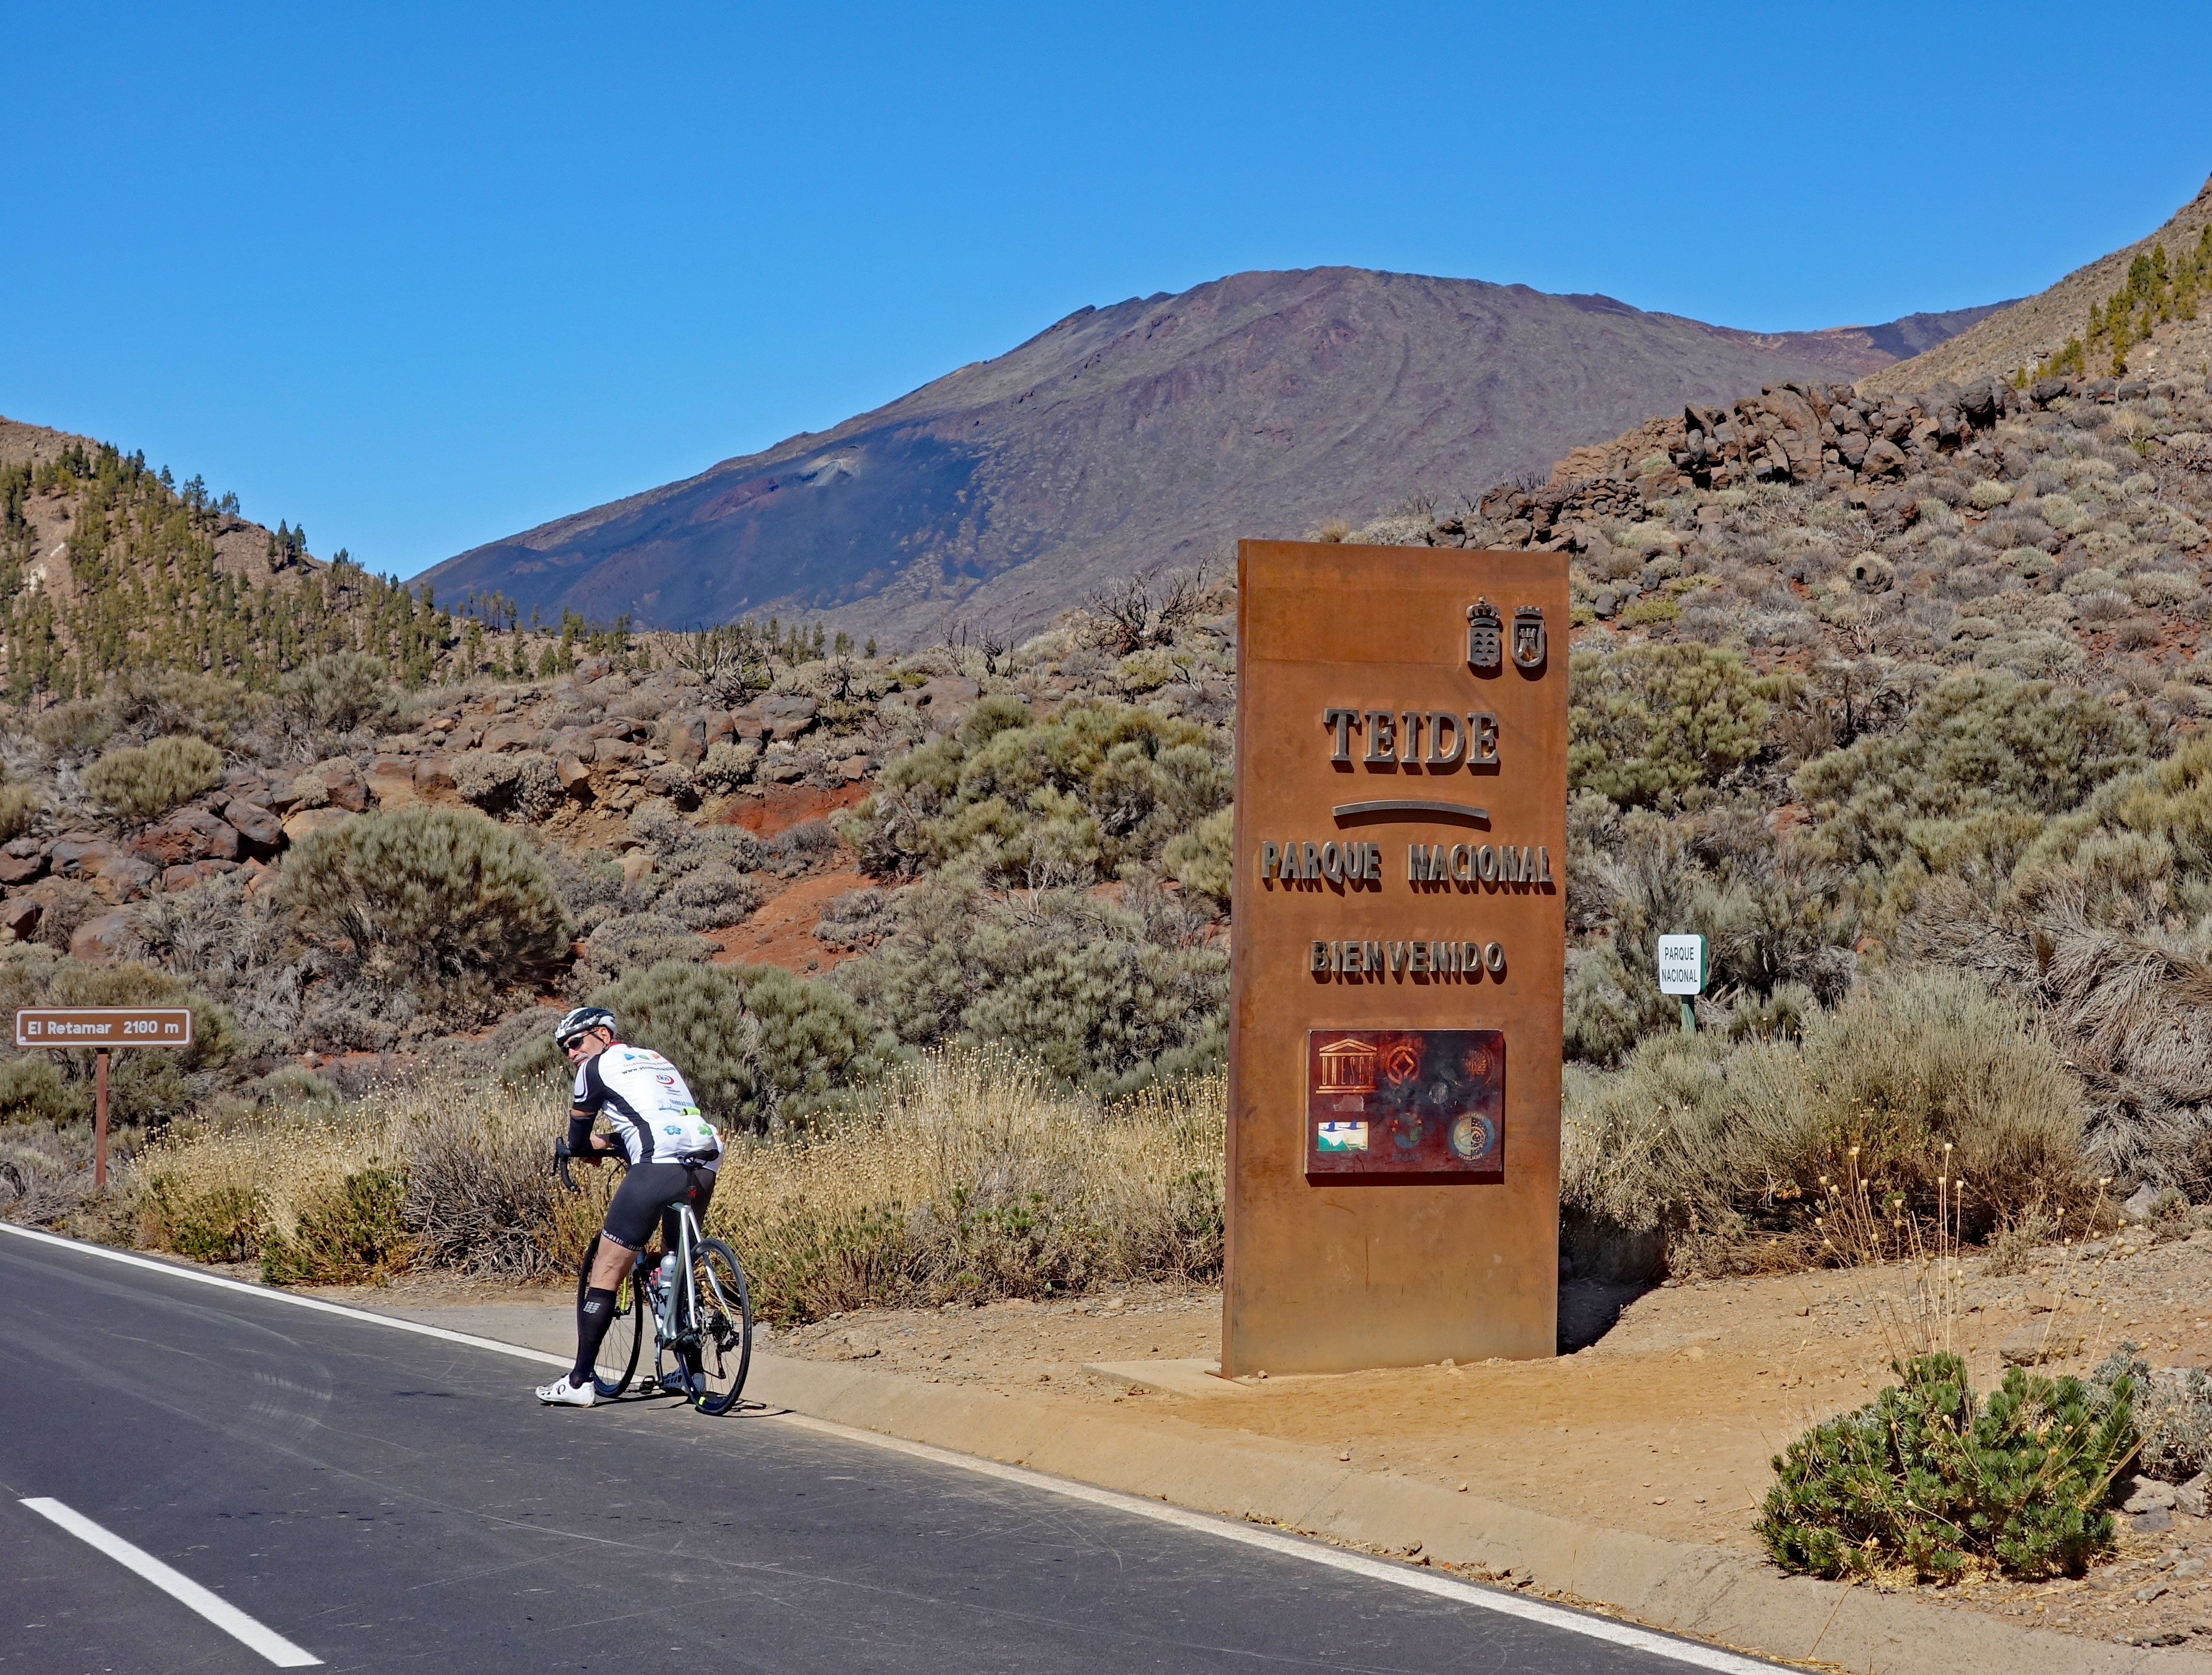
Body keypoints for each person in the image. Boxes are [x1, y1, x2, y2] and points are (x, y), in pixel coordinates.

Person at [535, 1006, 724, 1407]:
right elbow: (651, 1117)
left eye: (575, 1043)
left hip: (657, 1165)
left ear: (603, 1034)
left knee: (607, 1266)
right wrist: (614, 1142)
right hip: (705, 1159)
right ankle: (692, 1374)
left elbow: (579, 1137)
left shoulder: (594, 1070)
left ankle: (581, 1380)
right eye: (563, 1050)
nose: (570, 1054)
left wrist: (586, 1149)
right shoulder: (656, 1058)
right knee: (676, 1263)